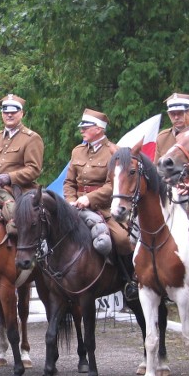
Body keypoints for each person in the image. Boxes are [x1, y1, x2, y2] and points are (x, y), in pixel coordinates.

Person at [63, 108, 137, 300]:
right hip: (75, 206)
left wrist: (90, 199)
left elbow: (114, 185)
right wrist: (70, 200)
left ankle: (130, 280)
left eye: (86, 127)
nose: (82, 130)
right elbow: (69, 182)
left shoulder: (114, 152)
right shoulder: (77, 150)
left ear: (99, 129)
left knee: (121, 239)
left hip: (103, 208)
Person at [0, 94, 44, 236]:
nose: (9, 115)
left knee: (14, 225)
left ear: (21, 113)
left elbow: (34, 170)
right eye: (5, 112)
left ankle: (28, 254)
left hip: (20, 191)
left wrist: (10, 177)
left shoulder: (32, 138)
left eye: (13, 111)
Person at [154, 93, 189, 163]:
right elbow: (157, 169)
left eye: (180, 113)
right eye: (172, 113)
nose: (176, 117)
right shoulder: (162, 138)